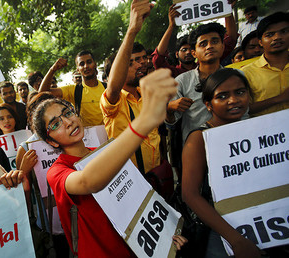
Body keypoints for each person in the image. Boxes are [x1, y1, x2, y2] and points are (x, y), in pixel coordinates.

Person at [31, 64, 186, 256]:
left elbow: (139, 196)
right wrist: (144, 121)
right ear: (51, 142)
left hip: (137, 248)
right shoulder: (57, 171)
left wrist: (166, 233)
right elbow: (89, 181)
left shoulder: (102, 152)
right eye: (55, 124)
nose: (68, 122)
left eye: (68, 112)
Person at [181, 68, 260, 257]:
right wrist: (236, 239)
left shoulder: (255, 130)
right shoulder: (199, 139)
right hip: (219, 232)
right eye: (223, 96)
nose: (233, 100)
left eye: (240, 92)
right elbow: (190, 195)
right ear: (209, 104)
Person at [100, 2, 161, 173]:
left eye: (142, 60)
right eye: (131, 63)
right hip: (133, 182)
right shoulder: (113, 101)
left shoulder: (148, 94)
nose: (140, 65)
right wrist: (132, 31)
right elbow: (113, 88)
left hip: (158, 176)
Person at [166, 22, 238, 144]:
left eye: (214, 41)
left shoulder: (236, 76)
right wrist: (169, 108)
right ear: (194, 53)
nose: (209, 47)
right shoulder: (182, 81)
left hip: (234, 143)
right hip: (197, 148)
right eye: (203, 44)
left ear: (223, 46)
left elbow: (245, 114)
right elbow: (171, 122)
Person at [153, 2, 237, 78]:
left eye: (214, 42)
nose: (188, 52)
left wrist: (227, 10)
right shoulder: (177, 76)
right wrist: (171, 26)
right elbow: (158, 60)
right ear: (177, 54)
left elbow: (231, 39)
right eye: (184, 49)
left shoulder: (210, 60)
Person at [39, 51, 106, 127]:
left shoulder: (107, 88)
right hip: (88, 137)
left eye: (89, 62)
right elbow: (42, 93)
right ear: (78, 69)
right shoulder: (73, 90)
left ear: (95, 64)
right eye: (82, 64)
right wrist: (52, 69)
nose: (86, 66)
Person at [241, 12, 289, 117]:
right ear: (260, 42)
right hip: (267, 131)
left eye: (284, 31)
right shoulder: (247, 72)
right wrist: (280, 99)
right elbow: (243, 109)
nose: (277, 37)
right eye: (270, 35)